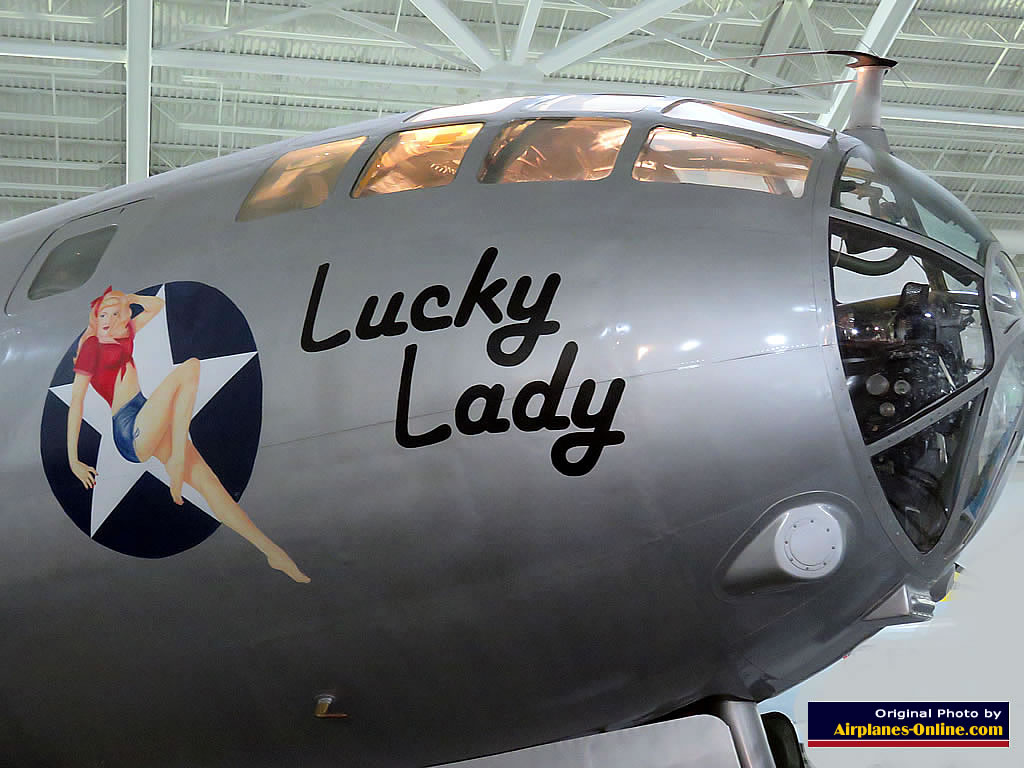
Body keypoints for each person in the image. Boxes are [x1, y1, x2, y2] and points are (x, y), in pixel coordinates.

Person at [66, 286, 310, 583]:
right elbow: (76, 402)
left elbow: (156, 306)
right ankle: (178, 458)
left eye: (115, 314)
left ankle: (273, 552)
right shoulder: (91, 349)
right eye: (103, 314)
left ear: (124, 317)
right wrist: (74, 460)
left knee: (211, 486)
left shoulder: (125, 334)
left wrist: (130, 299)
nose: (108, 320)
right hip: (129, 427)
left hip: (145, 415)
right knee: (189, 368)